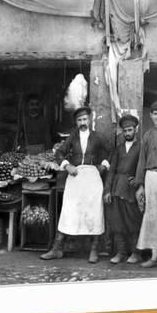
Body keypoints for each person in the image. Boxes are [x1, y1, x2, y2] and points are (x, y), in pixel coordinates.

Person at [40, 106, 110, 263]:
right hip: (76, 177)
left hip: (92, 178)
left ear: (90, 120)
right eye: (79, 120)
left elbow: (110, 152)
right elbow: (59, 153)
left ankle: (94, 250)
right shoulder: (73, 137)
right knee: (68, 211)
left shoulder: (98, 137)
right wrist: (67, 165)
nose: (83, 122)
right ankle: (57, 249)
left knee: (94, 213)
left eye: (85, 119)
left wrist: (103, 166)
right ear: (76, 122)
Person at [103, 114, 143, 264]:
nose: (127, 133)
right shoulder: (119, 149)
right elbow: (111, 170)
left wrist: (138, 180)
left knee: (133, 221)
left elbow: (143, 167)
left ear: (136, 130)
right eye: (125, 130)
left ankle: (136, 253)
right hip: (116, 189)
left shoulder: (141, 146)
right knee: (117, 222)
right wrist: (107, 190)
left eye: (130, 130)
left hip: (131, 190)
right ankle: (121, 253)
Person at [134, 101, 157, 268]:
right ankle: (155, 256)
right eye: (155, 114)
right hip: (151, 177)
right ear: (151, 116)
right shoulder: (147, 135)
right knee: (152, 216)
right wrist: (140, 186)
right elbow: (141, 161)